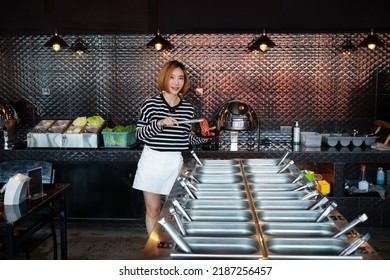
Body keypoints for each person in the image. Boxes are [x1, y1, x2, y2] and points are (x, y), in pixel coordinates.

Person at [132, 60, 211, 235]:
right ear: (164, 79)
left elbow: (185, 139)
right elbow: (139, 135)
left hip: (174, 163)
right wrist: (159, 123)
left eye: (180, 78)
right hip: (152, 161)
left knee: (172, 211)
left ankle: (169, 248)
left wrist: (204, 139)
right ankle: (154, 251)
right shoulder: (150, 104)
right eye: (172, 77)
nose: (176, 83)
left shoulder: (188, 109)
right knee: (153, 210)